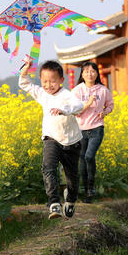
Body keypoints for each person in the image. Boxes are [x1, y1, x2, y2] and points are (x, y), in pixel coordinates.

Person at [19, 56, 94, 219]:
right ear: (40, 80)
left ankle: (71, 199)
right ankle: (54, 203)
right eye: (44, 81)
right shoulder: (41, 93)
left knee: (72, 178)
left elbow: (78, 105)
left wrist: (63, 109)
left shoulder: (67, 95)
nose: (48, 85)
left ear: (61, 80)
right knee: (48, 168)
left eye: (52, 81)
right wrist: (27, 66)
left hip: (72, 142)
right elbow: (24, 83)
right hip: (51, 139)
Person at [72, 62, 114, 203]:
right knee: (82, 159)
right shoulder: (77, 91)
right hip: (81, 130)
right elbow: (74, 111)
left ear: (97, 73)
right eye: (86, 71)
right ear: (82, 74)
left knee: (89, 156)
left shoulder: (103, 90)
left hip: (97, 128)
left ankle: (91, 186)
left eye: (93, 71)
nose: (90, 74)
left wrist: (105, 112)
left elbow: (110, 105)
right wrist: (87, 104)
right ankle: (87, 192)